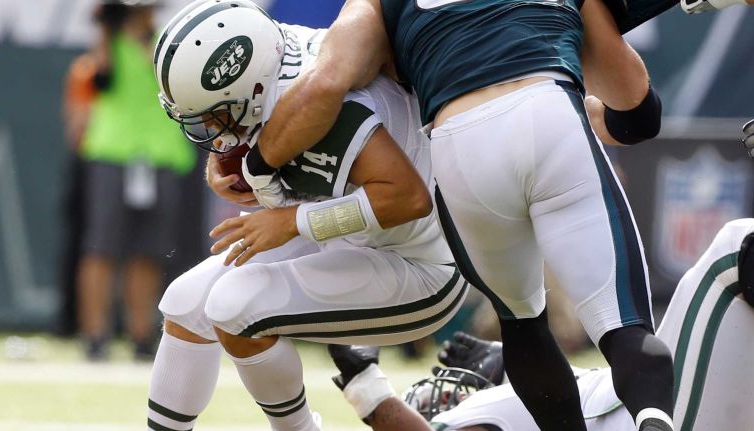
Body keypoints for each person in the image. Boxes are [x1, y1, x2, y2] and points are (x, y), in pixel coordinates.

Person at [241, 0, 675, 429]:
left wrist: (255, 166)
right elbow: (637, 113)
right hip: (550, 111)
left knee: (522, 324)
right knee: (625, 328)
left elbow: (327, 81)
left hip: (458, 141)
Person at [146, 2, 466, 430]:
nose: (209, 129)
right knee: (187, 302)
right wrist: (227, 164)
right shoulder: (272, 53)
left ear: (252, 90)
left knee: (234, 305)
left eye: (215, 116)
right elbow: (251, 129)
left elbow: (408, 199)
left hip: (423, 265)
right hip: (354, 232)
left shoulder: (320, 107)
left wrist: (293, 222)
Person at [328, 218, 754, 431]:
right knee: (735, 249)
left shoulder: (523, 405)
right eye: (443, 399)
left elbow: (584, 402)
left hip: (656, 410)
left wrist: (511, 369)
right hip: (664, 418)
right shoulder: (475, 417)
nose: (452, 389)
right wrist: (372, 395)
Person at [75, 0, 196, 360]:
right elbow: (99, 79)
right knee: (102, 246)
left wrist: (144, 40)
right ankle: (95, 334)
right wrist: (105, 30)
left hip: (160, 156)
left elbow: (173, 81)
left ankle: (141, 334)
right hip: (113, 154)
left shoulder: (165, 45)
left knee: (149, 250)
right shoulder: (105, 47)